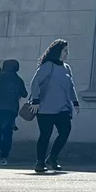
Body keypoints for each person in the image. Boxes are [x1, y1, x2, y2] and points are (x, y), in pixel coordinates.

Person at [27, 39, 80, 174]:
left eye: (67, 51)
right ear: (57, 51)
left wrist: (75, 102)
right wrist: (36, 101)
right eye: (64, 51)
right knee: (45, 134)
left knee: (65, 132)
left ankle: (52, 157)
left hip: (63, 108)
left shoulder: (67, 67)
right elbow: (35, 83)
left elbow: (71, 86)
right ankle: (40, 162)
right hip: (45, 108)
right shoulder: (48, 66)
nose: (67, 54)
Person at [0, 59, 27, 167]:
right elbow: (25, 94)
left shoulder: (1, 76)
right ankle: (3, 158)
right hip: (12, 110)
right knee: (7, 134)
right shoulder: (18, 79)